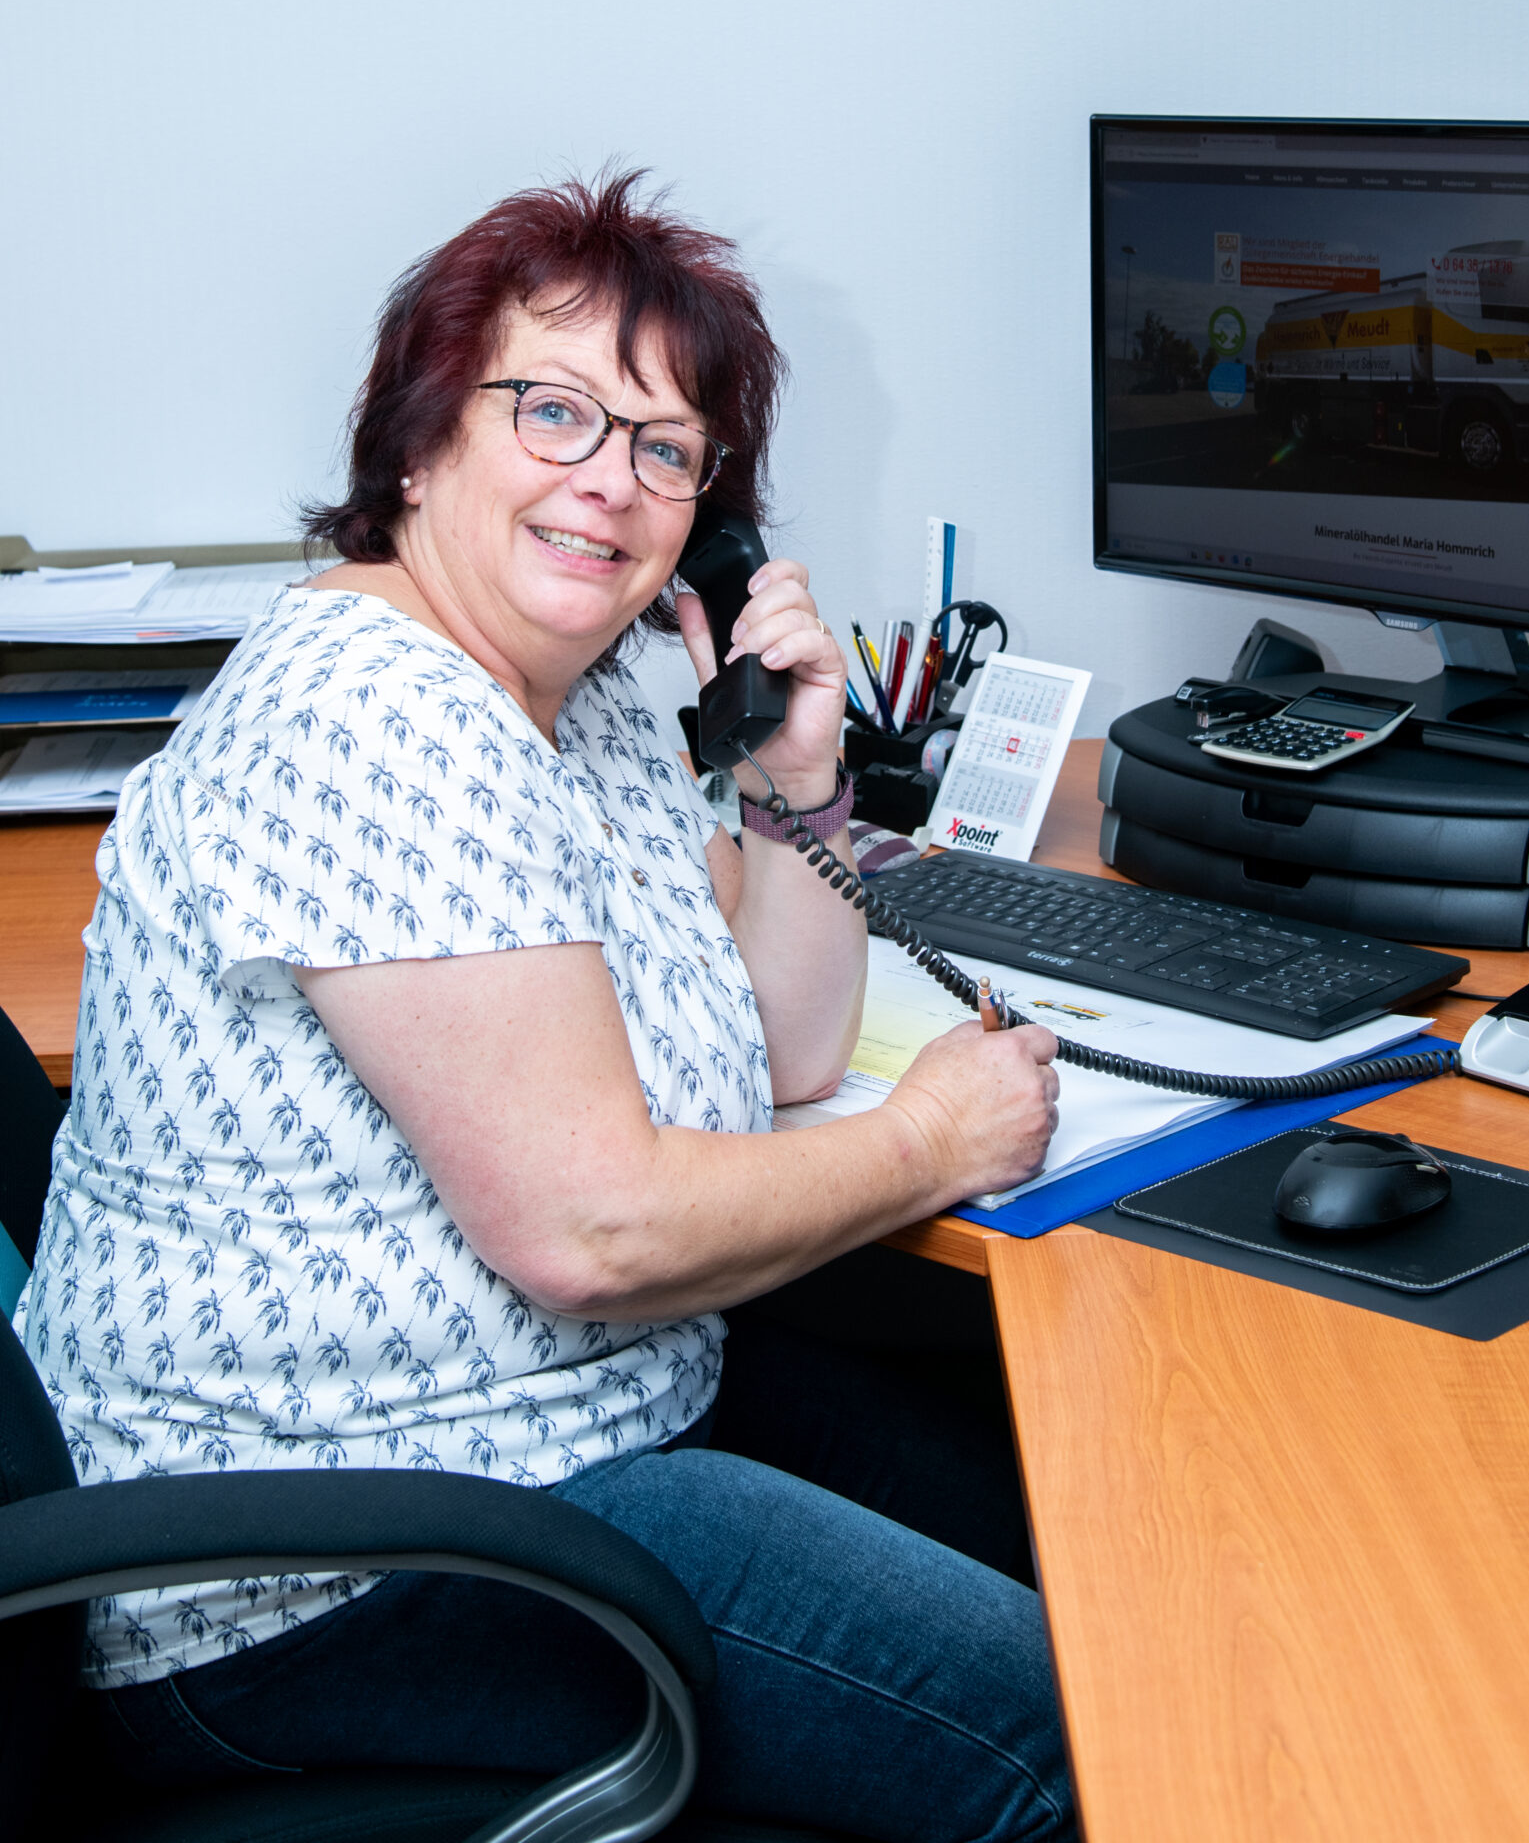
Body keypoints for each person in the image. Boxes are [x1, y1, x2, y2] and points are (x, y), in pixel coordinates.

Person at [18, 174, 1071, 1843]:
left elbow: (782, 1048)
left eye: (667, 448)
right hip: (329, 1565)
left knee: (1093, 1553)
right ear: (421, 440)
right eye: (556, 412)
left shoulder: (579, 699)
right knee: (1070, 1739)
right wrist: (938, 1141)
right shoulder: (376, 719)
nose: (611, 481)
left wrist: (795, 781)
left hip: (578, 1423)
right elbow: (594, 1229)